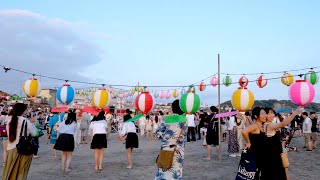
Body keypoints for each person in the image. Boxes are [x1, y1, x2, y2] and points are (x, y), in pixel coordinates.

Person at [262, 107, 302, 180]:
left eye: (272, 113)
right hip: (274, 156)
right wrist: (294, 113)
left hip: (270, 154)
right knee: (277, 175)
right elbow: (283, 123)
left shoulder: (265, 125)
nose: (272, 115)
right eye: (269, 113)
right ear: (264, 115)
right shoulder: (269, 125)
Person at [2, 103, 38, 180]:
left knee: (9, 171)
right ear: (23, 111)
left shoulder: (8, 119)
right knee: (21, 172)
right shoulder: (25, 121)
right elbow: (35, 133)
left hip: (11, 149)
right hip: (23, 149)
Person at [155, 99, 187, 180]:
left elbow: (158, 134)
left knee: (164, 170)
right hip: (178, 151)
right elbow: (184, 135)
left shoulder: (166, 118)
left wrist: (166, 138)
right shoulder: (185, 120)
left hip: (166, 149)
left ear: (172, 108)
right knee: (176, 172)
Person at [241, 107, 267, 179]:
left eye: (265, 113)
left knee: (256, 173)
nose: (265, 115)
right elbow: (244, 131)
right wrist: (248, 142)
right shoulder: (255, 125)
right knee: (253, 173)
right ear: (256, 116)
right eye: (262, 114)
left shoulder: (261, 125)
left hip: (259, 153)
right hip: (254, 153)